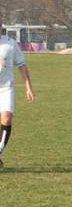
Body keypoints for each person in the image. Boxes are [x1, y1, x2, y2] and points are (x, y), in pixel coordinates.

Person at [0, 29, 36, 168]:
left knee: (6, 119)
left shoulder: (10, 43)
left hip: (6, 88)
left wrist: (28, 87)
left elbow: (22, 65)